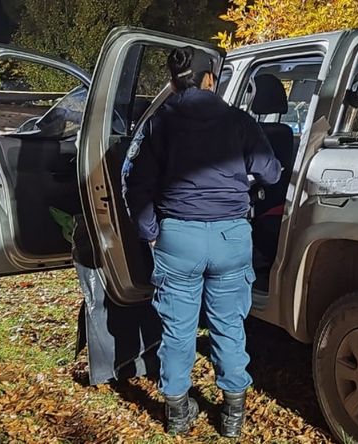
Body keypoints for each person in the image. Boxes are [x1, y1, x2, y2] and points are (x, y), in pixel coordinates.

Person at [123, 47, 281, 437]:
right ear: (210, 78)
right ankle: (232, 415)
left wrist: (152, 233)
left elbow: (136, 183)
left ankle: (177, 412)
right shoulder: (238, 120)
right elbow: (271, 172)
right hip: (230, 236)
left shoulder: (160, 122)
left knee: (177, 330)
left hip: (179, 238)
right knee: (228, 325)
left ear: (175, 81)